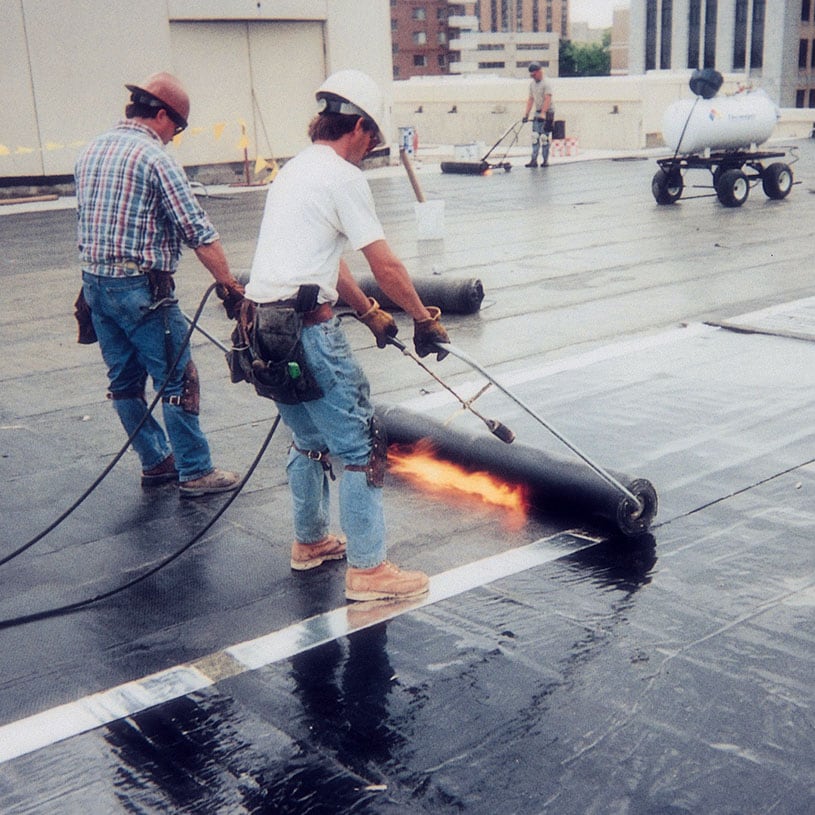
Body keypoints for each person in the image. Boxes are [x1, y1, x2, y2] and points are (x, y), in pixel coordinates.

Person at [244, 69, 450, 602]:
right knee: (361, 444)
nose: (369, 152)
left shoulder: (293, 171)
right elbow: (385, 264)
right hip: (306, 330)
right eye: (371, 141)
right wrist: (422, 318)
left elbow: (326, 258)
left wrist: (366, 310)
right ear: (358, 126)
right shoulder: (342, 177)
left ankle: (310, 541)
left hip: (261, 328)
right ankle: (368, 571)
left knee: (308, 439)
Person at [75, 72, 244, 497]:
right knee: (177, 380)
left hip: (95, 287)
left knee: (124, 383)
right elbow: (197, 232)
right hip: (141, 291)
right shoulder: (155, 158)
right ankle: (195, 470)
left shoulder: (91, 150)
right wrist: (229, 286)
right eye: (177, 129)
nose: (173, 138)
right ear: (164, 116)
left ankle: (155, 460)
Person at [522, 62, 554, 168]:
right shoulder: (532, 84)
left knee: (544, 138)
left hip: (548, 112)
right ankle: (533, 160)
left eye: (534, 74)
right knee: (535, 137)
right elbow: (531, 99)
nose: (533, 77)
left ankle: (545, 160)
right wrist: (526, 114)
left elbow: (548, 99)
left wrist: (543, 113)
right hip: (538, 111)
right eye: (531, 75)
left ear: (540, 72)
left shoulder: (546, 83)